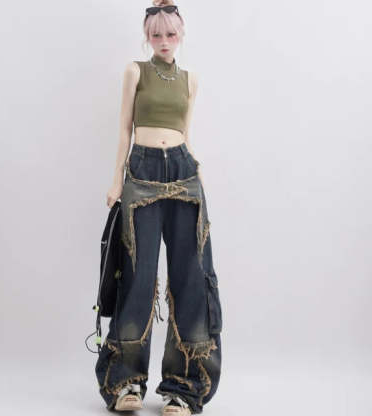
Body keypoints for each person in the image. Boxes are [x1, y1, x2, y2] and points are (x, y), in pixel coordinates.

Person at [95, 1, 223, 415]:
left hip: (185, 175)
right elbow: (124, 129)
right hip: (142, 172)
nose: (163, 41)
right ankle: (125, 384)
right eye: (156, 34)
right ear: (147, 36)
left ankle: (184, 388)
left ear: (181, 34)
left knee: (190, 278)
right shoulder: (135, 71)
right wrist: (117, 179)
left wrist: (197, 170)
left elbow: (186, 131)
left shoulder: (190, 80)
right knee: (138, 276)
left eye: (170, 34)